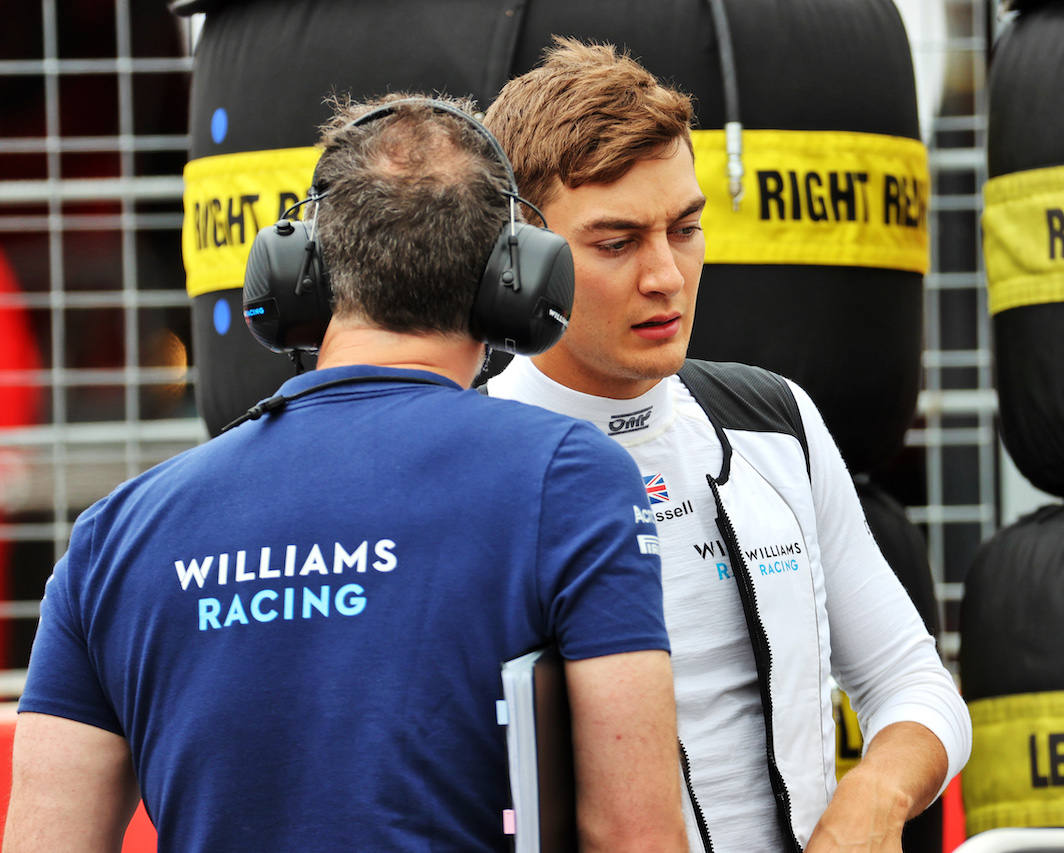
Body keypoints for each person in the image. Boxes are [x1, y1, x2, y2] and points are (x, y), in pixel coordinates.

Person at [4, 93, 688, 853]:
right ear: (517, 284)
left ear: (303, 273)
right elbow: (636, 835)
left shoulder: (115, 536)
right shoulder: (572, 479)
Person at [483, 38, 972, 853]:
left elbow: (915, 682)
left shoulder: (773, 420)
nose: (667, 274)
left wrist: (877, 795)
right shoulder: (467, 461)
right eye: (617, 242)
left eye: (686, 227)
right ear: (519, 258)